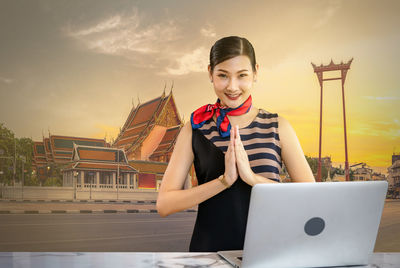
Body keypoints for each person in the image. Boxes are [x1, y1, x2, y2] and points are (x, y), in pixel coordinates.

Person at [156, 36, 315, 252]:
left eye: (242, 76)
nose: (232, 87)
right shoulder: (195, 127)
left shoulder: (278, 126)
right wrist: (223, 181)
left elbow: (312, 200)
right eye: (223, 75)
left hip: (271, 255)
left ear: (256, 72)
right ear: (210, 73)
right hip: (210, 255)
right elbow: (165, 204)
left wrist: (252, 178)